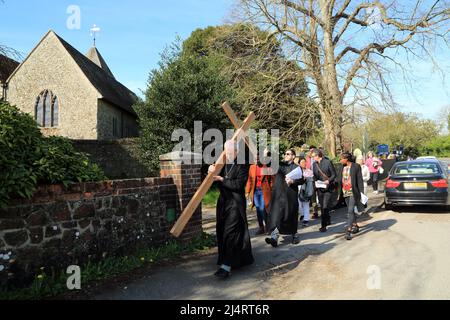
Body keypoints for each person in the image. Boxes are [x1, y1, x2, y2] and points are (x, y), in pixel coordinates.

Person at [209, 140, 254, 279]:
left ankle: (226, 267)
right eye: (226, 151)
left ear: (237, 152)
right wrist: (211, 171)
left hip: (235, 203)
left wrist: (222, 180)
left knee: (231, 232)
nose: (227, 154)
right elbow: (212, 179)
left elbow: (238, 185)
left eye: (230, 152)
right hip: (223, 203)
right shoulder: (222, 164)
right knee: (223, 231)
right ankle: (228, 260)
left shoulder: (243, 165)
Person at [265, 149, 305, 247]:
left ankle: (294, 235)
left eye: (288, 154)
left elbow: (302, 180)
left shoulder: (297, 168)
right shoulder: (280, 165)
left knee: (290, 215)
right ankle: (274, 238)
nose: (286, 155)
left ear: (293, 156)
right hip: (278, 195)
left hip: (290, 196)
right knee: (277, 216)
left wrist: (293, 182)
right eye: (285, 154)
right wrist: (266, 154)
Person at [246, 157, 275, 235]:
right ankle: (261, 227)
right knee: (258, 209)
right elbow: (249, 180)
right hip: (255, 191)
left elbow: (272, 179)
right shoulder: (252, 167)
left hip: (264, 190)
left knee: (263, 209)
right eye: (255, 159)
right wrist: (247, 191)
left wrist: (271, 188)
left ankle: (268, 227)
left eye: (258, 159)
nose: (256, 161)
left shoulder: (267, 168)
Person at [339, 152, 365, 241]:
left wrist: (362, 193)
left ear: (347, 159)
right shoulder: (342, 167)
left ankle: (348, 231)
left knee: (350, 211)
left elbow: (360, 180)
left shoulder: (356, 166)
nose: (340, 160)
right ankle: (355, 225)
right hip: (345, 192)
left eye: (341, 158)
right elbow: (339, 180)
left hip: (353, 192)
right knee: (350, 211)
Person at [312, 149, 337, 232]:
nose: (312, 158)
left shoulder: (327, 162)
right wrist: (315, 182)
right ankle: (328, 219)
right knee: (322, 206)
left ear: (317, 156)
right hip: (319, 189)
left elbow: (334, 174)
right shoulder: (314, 165)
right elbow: (314, 176)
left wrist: (328, 181)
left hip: (328, 188)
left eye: (313, 156)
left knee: (324, 206)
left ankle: (323, 225)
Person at [298, 158, 314, 227]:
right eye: (302, 162)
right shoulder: (297, 171)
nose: (304, 163)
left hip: (306, 190)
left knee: (306, 204)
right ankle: (302, 214)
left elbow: (311, 181)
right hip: (298, 190)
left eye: (305, 162)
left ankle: (306, 219)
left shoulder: (309, 171)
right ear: (299, 163)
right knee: (298, 205)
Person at [305, 146, 319, 219]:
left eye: (313, 151)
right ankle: (315, 212)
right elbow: (306, 169)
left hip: (318, 179)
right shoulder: (307, 159)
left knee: (320, 195)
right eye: (310, 151)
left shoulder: (318, 158)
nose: (311, 152)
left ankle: (324, 210)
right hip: (310, 180)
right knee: (313, 197)